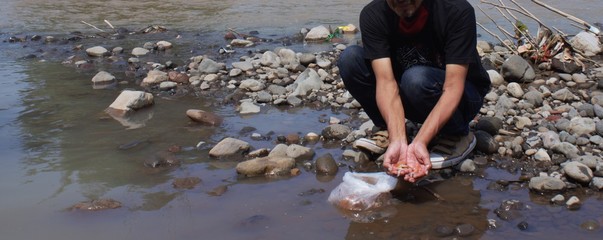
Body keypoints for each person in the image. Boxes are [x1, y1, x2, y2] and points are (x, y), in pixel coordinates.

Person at [338, 0, 491, 183]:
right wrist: (398, 140)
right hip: (412, 92)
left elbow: (452, 87)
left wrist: (420, 142)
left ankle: (457, 133)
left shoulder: (455, 10)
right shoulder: (374, 14)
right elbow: (386, 83)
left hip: (463, 94)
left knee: (416, 78)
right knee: (350, 59)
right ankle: (390, 131)